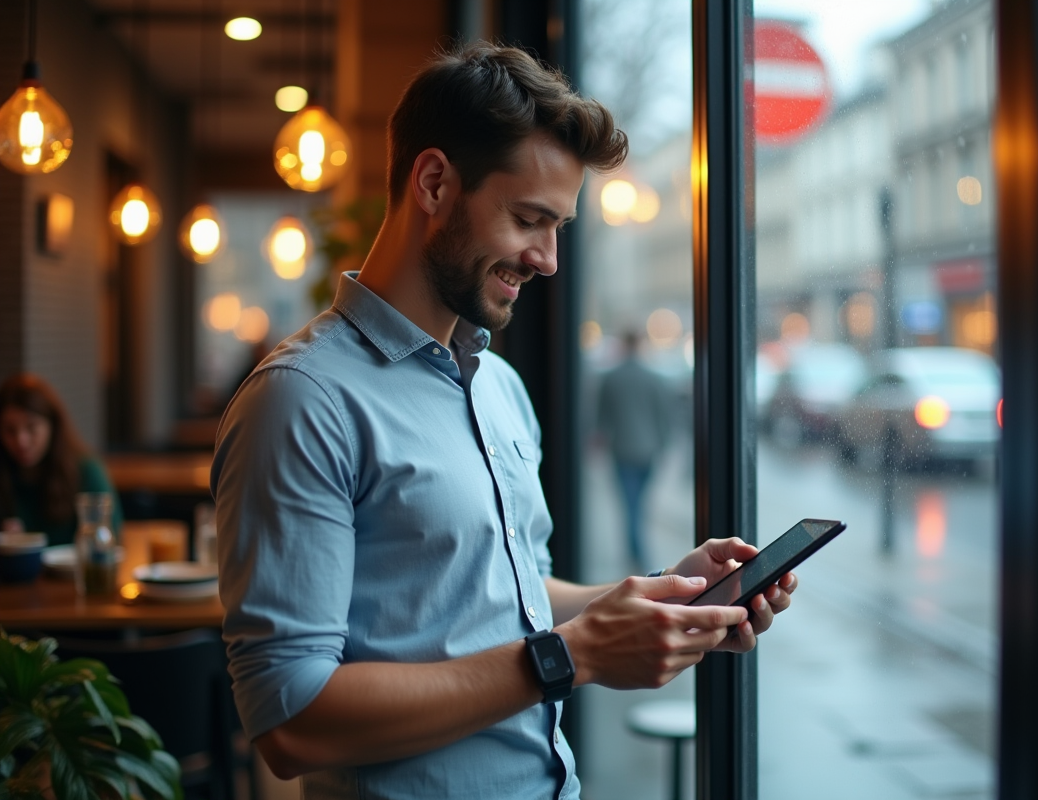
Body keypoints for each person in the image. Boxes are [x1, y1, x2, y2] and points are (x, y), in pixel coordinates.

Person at [211, 42, 797, 800]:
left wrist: (663, 593)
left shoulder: (499, 387)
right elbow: (291, 720)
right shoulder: (300, 401)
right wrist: (570, 658)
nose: (549, 259)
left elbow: (499, 596)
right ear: (433, 183)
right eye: (529, 219)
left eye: (558, 227)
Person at [0, 373, 123, 546]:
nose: (21, 441)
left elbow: (110, 537)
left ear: (52, 425)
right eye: (10, 430)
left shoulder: (85, 470)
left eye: (32, 427)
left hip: (74, 572)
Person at [597, 330, 675, 571]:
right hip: (648, 450)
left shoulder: (612, 377)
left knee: (630, 504)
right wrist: (663, 444)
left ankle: (636, 553)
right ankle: (638, 553)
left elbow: (602, 416)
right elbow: (664, 415)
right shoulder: (653, 377)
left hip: (622, 450)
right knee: (639, 504)